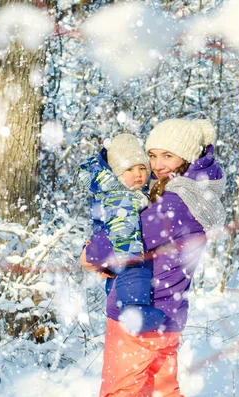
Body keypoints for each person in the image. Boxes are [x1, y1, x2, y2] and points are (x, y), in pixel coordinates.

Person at [83, 119, 226, 397]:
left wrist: (90, 251)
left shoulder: (176, 204)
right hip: (168, 316)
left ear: (187, 157)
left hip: (140, 314)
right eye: (152, 155)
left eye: (167, 156)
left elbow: (119, 240)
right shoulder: (193, 196)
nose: (157, 165)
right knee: (162, 391)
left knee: (122, 391)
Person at [78, 133, 166, 333]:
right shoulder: (120, 196)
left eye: (142, 168)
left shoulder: (132, 192)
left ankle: (128, 314)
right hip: (122, 249)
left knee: (120, 286)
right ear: (117, 174)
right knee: (134, 275)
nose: (138, 174)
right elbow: (121, 225)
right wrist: (128, 256)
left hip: (115, 252)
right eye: (130, 169)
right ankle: (133, 314)